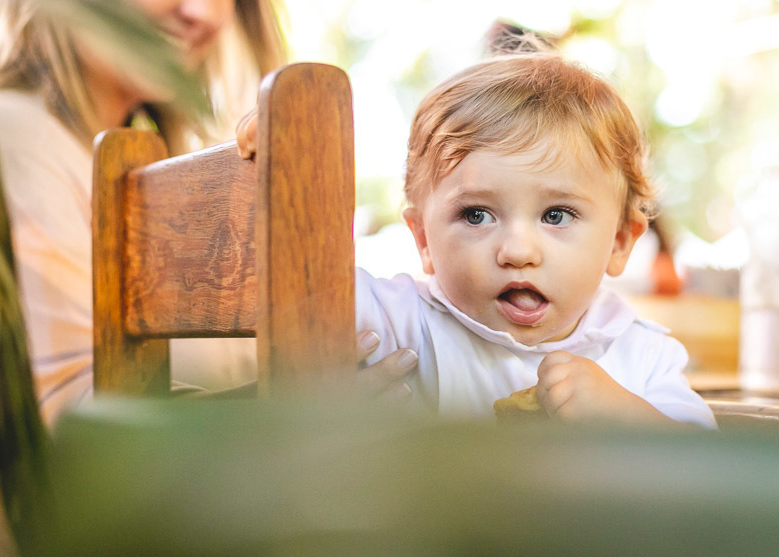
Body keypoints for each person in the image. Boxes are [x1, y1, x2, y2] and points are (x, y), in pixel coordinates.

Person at [0, 0, 414, 453]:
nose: (204, 10)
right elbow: (53, 432)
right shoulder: (10, 140)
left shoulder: (142, 163)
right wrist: (297, 416)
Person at [239, 53, 716, 426]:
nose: (518, 252)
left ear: (619, 243)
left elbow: (709, 479)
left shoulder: (641, 355)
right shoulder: (400, 323)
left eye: (556, 214)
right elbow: (282, 278)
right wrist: (275, 172)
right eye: (476, 215)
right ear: (423, 239)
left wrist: (628, 417)